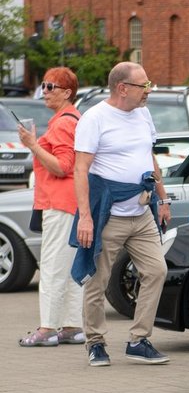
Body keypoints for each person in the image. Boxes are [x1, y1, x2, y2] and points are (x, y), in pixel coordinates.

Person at [72, 61, 172, 367]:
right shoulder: (95, 118)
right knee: (97, 282)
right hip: (109, 214)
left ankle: (139, 340)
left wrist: (163, 197)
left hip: (141, 211)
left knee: (157, 271)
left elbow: (149, 157)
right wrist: (86, 217)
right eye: (144, 85)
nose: (149, 90)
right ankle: (95, 342)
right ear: (122, 88)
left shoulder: (143, 114)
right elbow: (81, 168)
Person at [17, 67, 85, 348]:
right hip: (71, 203)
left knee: (52, 267)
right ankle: (72, 326)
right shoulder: (72, 119)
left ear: (67, 92)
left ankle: (47, 329)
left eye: (50, 87)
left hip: (59, 202)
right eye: (43, 85)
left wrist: (33, 145)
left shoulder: (63, 123)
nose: (44, 91)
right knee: (70, 268)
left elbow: (62, 166)